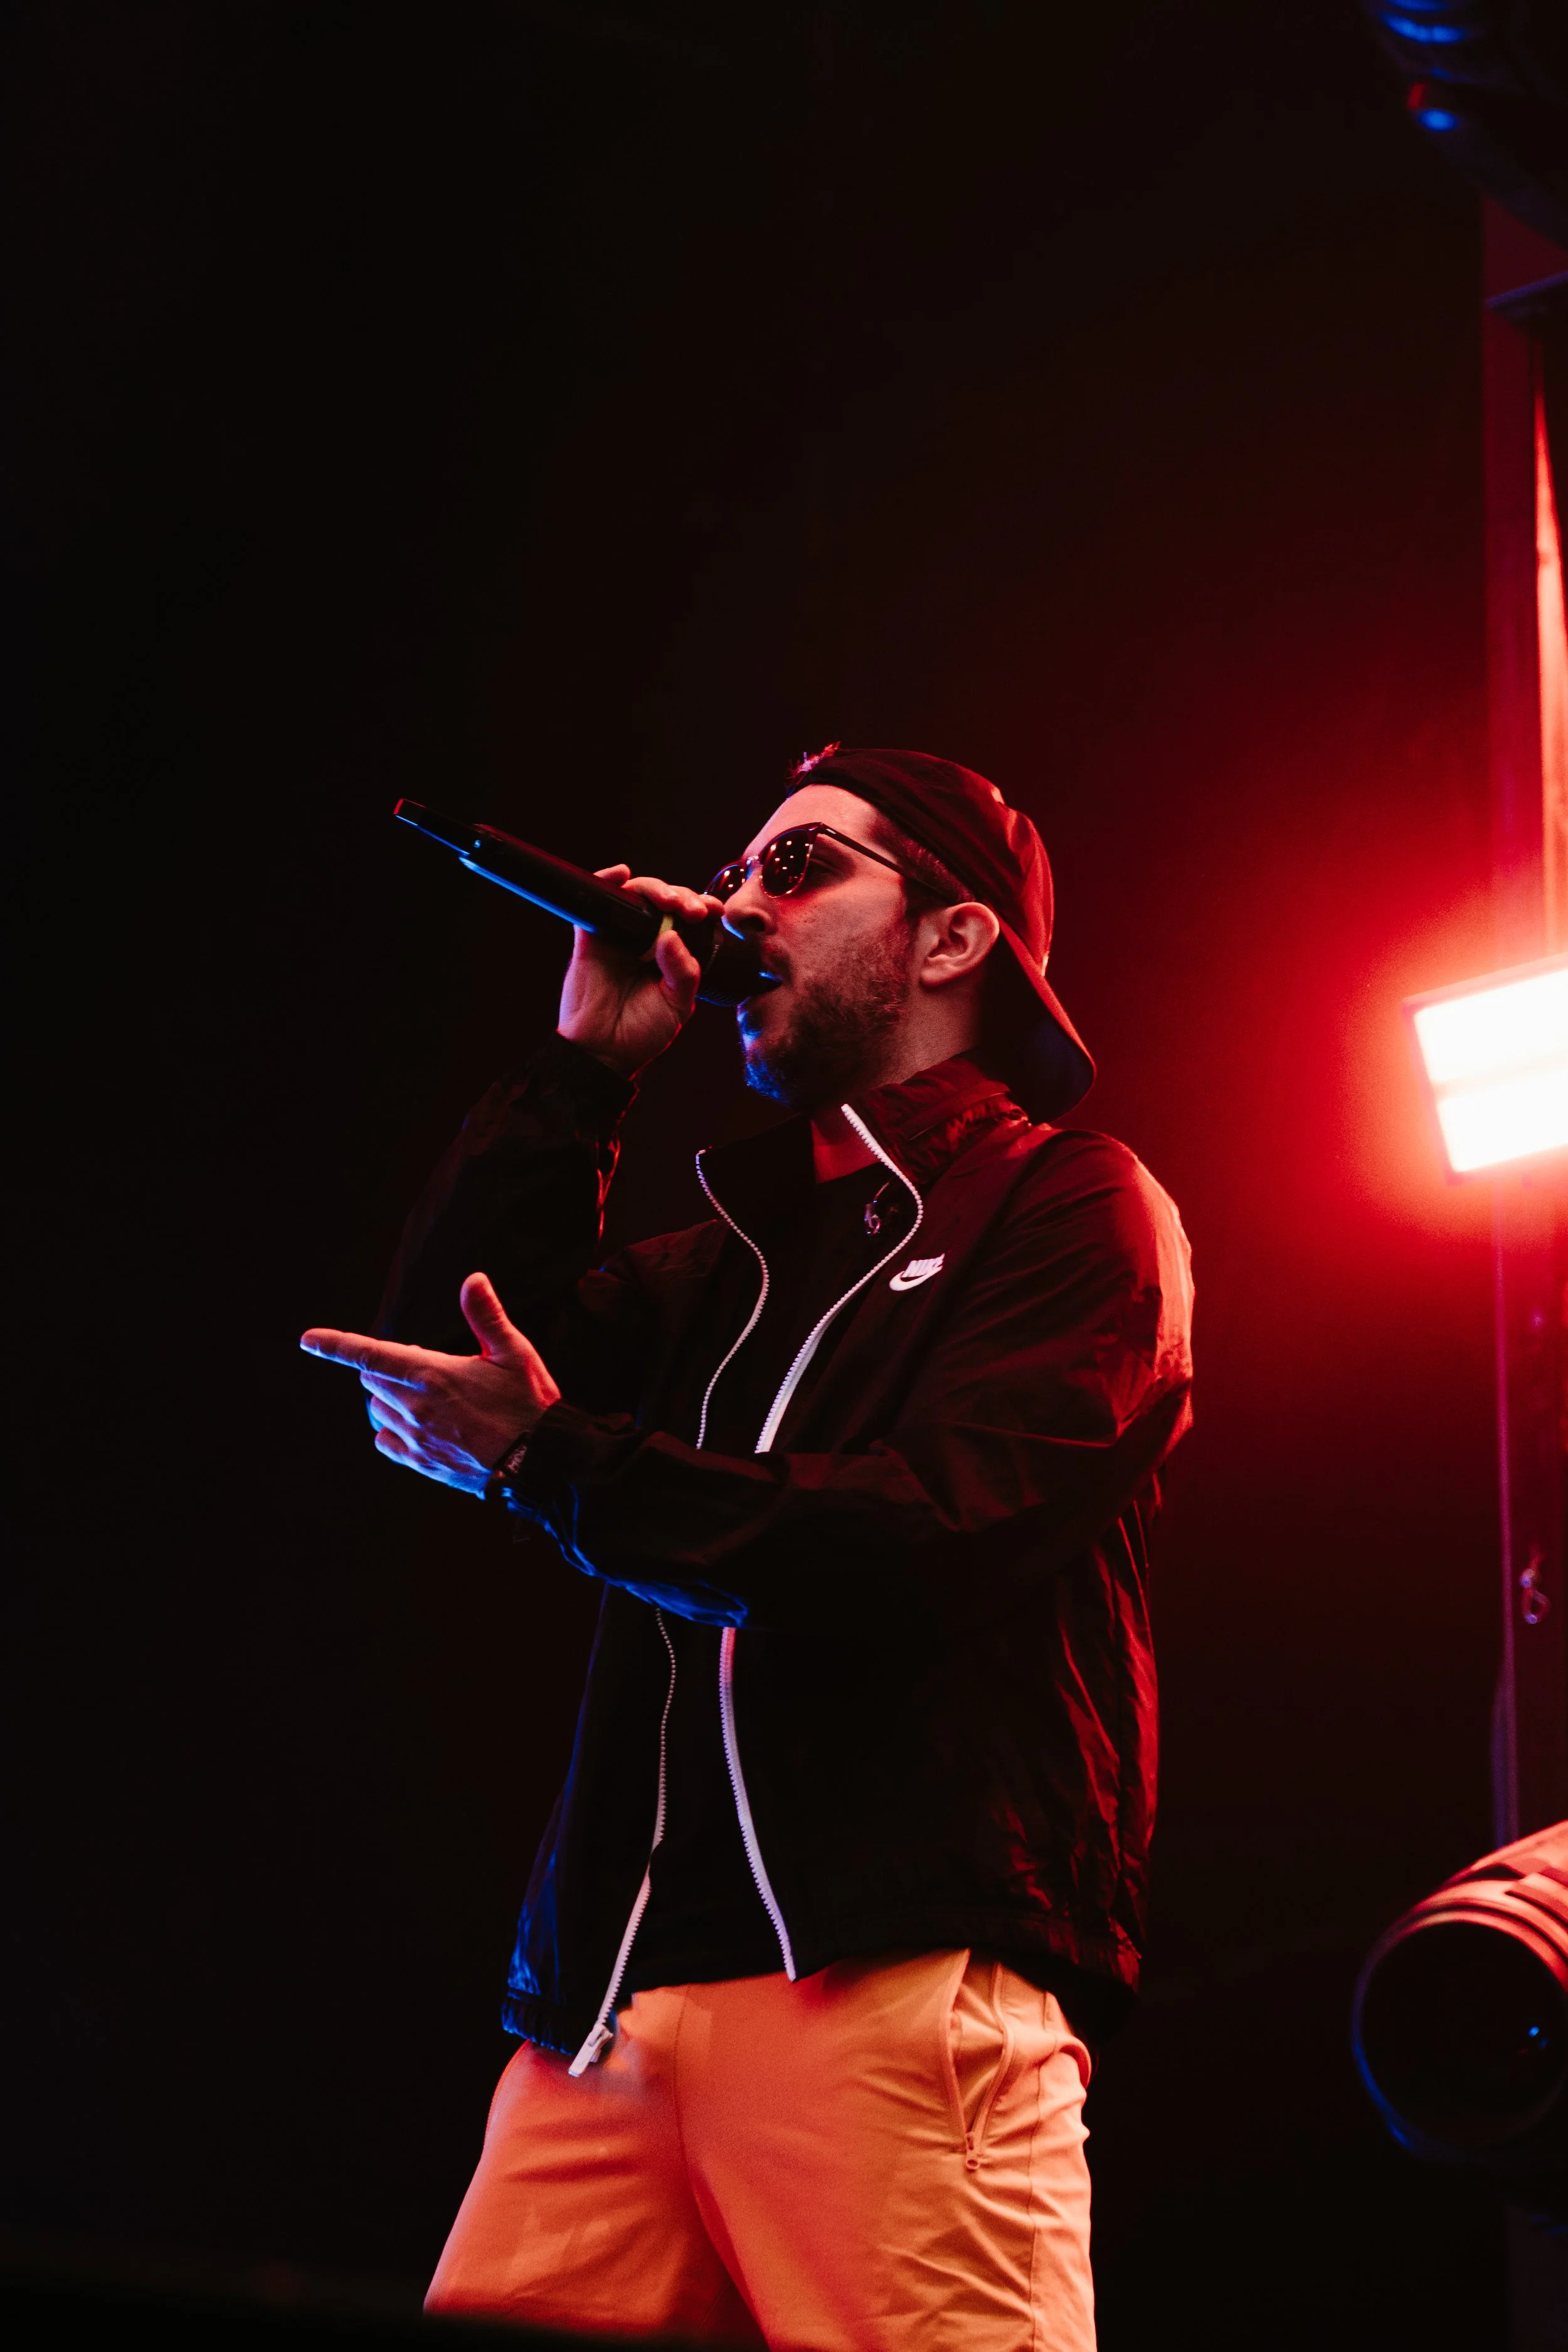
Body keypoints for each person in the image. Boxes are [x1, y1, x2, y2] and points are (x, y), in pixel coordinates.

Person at [301, 746, 1194, 2351]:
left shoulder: (1074, 1208)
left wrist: (560, 1463)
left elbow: (924, 1538)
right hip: (608, 2006)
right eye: (736, 869)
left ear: (949, 940)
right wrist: (584, 1073)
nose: (731, 902)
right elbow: (443, 1361)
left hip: (894, 1984)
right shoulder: (717, 1262)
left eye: (796, 870)